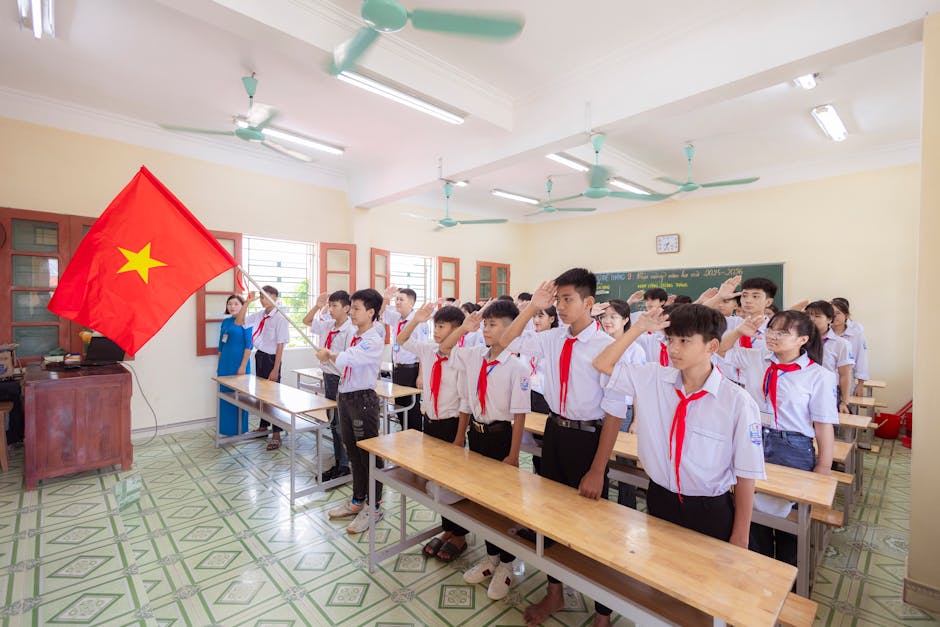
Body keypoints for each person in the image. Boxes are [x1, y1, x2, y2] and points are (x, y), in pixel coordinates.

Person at [497, 269, 626, 627]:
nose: (561, 306)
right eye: (558, 300)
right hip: (555, 431)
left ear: (589, 302)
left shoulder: (606, 347)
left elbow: (615, 413)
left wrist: (598, 468)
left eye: (568, 299)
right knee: (551, 518)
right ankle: (555, 591)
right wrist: (532, 308)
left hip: (589, 439)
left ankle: (602, 611)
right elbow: (506, 340)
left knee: (593, 527)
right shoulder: (551, 338)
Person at [592, 304, 764, 558]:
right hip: (660, 498)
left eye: (684, 341)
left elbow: (746, 474)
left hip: (708, 507)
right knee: (661, 571)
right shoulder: (653, 378)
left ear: (712, 346)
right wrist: (638, 328)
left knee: (705, 583)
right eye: (670, 339)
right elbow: (602, 362)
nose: (673, 348)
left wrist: (740, 534)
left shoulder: (737, 401)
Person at [718, 310, 836, 565]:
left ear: (802, 340)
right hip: (754, 440)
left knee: (789, 526)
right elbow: (720, 351)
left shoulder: (819, 375)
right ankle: (758, 574)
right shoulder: (756, 359)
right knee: (753, 515)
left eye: (782, 332)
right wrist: (739, 331)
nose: (772, 336)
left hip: (792, 448)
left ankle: (790, 584)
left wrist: (824, 466)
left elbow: (823, 424)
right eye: (771, 329)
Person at [443, 300, 530, 601]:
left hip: (501, 437)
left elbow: (520, 415)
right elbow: (445, 349)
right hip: (476, 435)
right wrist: (459, 439)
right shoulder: (475, 356)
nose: (486, 329)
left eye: (494, 324)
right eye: (485, 323)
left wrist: (514, 455)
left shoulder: (517, 366)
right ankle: (491, 557)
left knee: (502, 505)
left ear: (511, 329)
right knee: (481, 501)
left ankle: (507, 563)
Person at [396, 302, 470, 562]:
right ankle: (447, 529)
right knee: (437, 479)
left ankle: (460, 534)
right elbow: (401, 339)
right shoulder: (428, 351)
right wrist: (416, 320)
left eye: (441, 326)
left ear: (457, 329)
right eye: (435, 326)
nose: (436, 331)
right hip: (432, 422)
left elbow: (465, 402)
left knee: (453, 482)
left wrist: (460, 438)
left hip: (452, 425)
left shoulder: (462, 357)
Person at [319, 289, 386, 535]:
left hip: (363, 400)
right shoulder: (354, 336)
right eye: (352, 307)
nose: (352, 312)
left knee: (368, 454)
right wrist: (328, 358)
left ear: (371, 312)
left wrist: (332, 354)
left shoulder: (373, 338)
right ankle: (358, 500)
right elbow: (341, 362)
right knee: (353, 452)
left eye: (357, 308)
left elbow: (352, 359)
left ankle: (375, 506)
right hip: (345, 396)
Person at [595, 299, 646, 509]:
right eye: (604, 317)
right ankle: (602, 502)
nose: (607, 321)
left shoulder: (636, 350)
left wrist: (635, 420)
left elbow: (639, 389)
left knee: (625, 462)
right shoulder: (599, 343)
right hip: (599, 408)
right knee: (600, 458)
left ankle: (627, 506)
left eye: (613, 317)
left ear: (625, 319)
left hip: (624, 412)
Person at [306, 290, 354, 480]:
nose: (331, 309)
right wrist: (318, 306)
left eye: (335, 306)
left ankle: (344, 465)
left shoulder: (350, 330)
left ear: (347, 308)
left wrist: (329, 356)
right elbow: (307, 321)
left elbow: (348, 359)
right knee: (333, 422)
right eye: (330, 305)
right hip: (328, 376)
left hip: (340, 379)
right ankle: (341, 461)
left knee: (340, 423)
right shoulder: (328, 325)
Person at [236, 286, 290, 450]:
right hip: (260, 355)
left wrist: (276, 368)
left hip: (272, 358)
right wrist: (246, 303)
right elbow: (239, 322)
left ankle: (276, 433)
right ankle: (263, 426)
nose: (262, 299)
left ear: (275, 298)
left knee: (273, 396)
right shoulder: (260, 314)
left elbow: (281, 345)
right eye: (261, 297)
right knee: (261, 394)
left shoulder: (280, 317)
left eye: (266, 296)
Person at [382, 286, 428, 431]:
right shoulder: (396, 317)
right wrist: (385, 298)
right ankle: (404, 432)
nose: (397, 302)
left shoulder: (419, 322)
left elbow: (423, 351)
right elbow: (380, 311)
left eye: (401, 300)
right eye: (396, 299)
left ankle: (415, 435)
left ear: (411, 303)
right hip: (398, 368)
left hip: (412, 369)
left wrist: (421, 375)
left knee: (412, 407)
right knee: (400, 404)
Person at [805, 300, 854, 413]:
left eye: (817, 316)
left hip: (828, 391)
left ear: (829, 319)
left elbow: (845, 375)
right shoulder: (800, 340)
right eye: (809, 315)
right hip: (804, 388)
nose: (812, 319)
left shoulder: (841, 344)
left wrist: (844, 402)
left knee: (826, 427)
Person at [217, 295, 252, 436]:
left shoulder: (246, 322)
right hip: (225, 363)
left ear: (243, 305)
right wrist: (220, 363)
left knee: (239, 396)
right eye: (229, 304)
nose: (232, 306)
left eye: (236, 304)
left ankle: (240, 428)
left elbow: (249, 345)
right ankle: (226, 429)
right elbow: (221, 344)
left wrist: (243, 366)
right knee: (225, 394)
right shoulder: (225, 322)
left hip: (239, 364)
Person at [831, 298, 870, 397]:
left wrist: (860, 385)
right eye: (831, 313)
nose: (834, 316)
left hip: (847, 378)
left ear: (846, 315)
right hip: (827, 379)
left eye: (838, 313)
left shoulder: (856, 333)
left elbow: (861, 358)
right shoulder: (824, 333)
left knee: (847, 409)